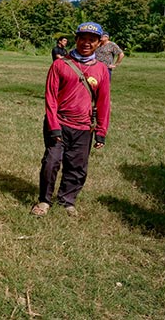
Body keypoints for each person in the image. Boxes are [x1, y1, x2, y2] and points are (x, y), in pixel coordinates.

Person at [31, 22, 111, 218]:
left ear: (99, 43)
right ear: (76, 39)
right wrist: (54, 126)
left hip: (84, 127)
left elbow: (104, 102)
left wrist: (101, 131)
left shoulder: (101, 70)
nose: (86, 43)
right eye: (82, 38)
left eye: (91, 40)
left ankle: (67, 200)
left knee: (77, 166)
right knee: (51, 162)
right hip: (59, 123)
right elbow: (50, 97)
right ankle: (44, 201)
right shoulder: (59, 64)